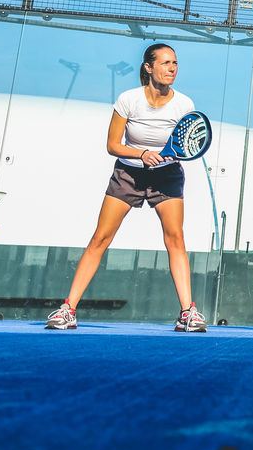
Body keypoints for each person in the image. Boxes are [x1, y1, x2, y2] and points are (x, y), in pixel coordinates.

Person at [45, 43, 207, 332]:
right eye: (165, 63)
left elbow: (185, 144)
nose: (172, 68)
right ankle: (67, 310)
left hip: (167, 176)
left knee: (176, 240)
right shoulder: (129, 100)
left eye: (175, 63)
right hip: (128, 175)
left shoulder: (184, 104)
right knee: (100, 238)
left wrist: (165, 157)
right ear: (148, 67)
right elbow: (113, 145)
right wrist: (142, 154)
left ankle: (188, 314)